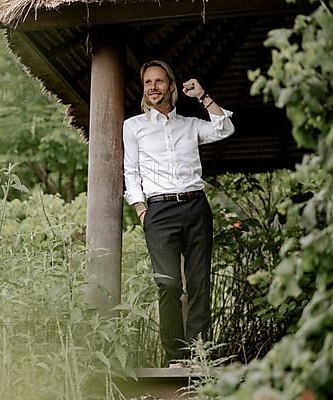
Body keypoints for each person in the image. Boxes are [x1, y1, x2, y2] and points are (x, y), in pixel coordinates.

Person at [123, 60, 235, 367]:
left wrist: (203, 96)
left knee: (200, 282)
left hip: (196, 206)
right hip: (158, 211)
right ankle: (176, 358)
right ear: (144, 88)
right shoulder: (133, 126)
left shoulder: (190, 125)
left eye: (159, 81)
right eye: (148, 82)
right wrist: (141, 210)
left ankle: (199, 356)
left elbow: (225, 127)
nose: (153, 87)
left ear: (171, 86)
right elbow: (130, 172)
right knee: (169, 284)